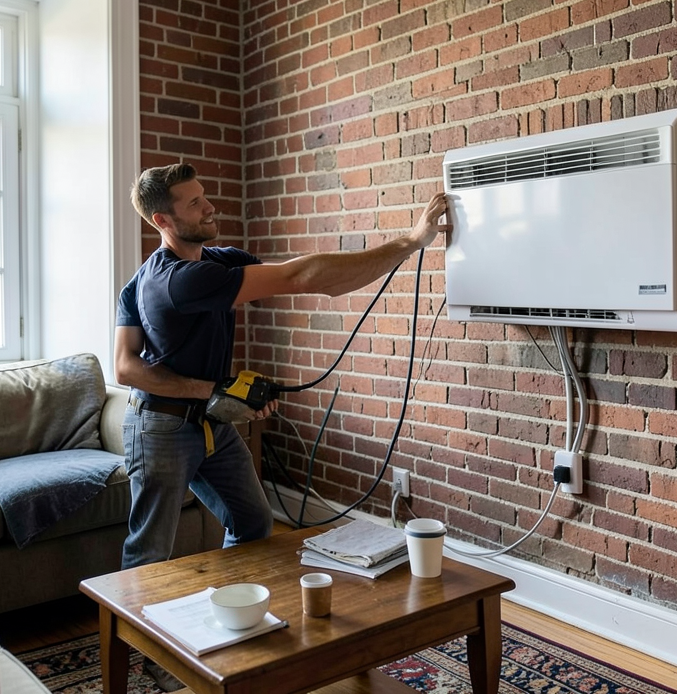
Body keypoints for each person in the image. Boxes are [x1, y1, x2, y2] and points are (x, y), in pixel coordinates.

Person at [116, 162, 448, 564]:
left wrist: (223, 394)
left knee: (253, 523)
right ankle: (130, 627)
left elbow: (321, 282)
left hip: (209, 422)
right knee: (149, 551)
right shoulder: (174, 280)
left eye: (204, 195)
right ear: (162, 220)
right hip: (160, 426)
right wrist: (410, 241)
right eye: (194, 203)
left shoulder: (218, 262)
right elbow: (125, 368)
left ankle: (228, 611)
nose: (209, 207)